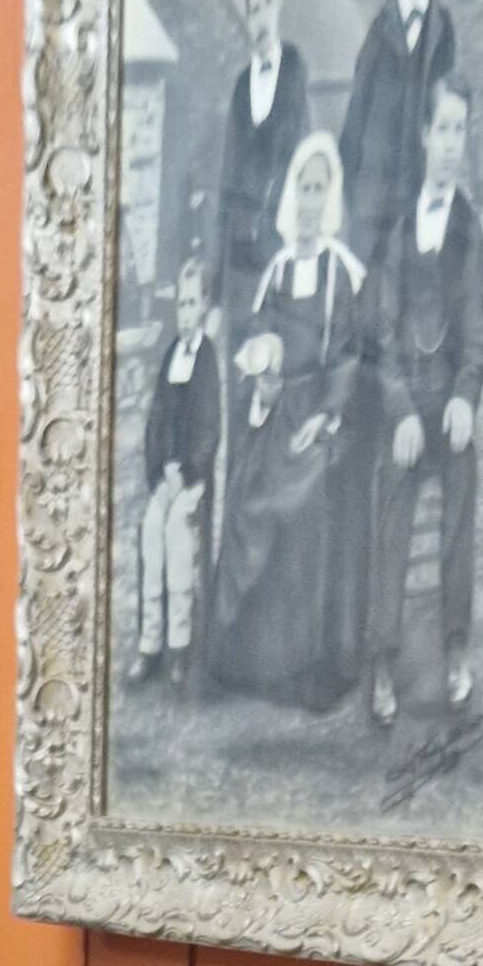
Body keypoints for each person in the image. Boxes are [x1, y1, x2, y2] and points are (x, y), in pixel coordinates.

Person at [206, 132, 371, 715]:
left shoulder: (340, 274)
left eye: (318, 189)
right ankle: (248, 662)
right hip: (276, 412)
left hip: (319, 419)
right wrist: (263, 375)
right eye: (301, 187)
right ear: (290, 195)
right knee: (248, 496)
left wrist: (325, 418)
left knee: (307, 504)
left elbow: (349, 357)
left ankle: (305, 667)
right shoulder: (276, 271)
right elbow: (256, 342)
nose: (307, 200)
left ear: (330, 199)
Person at [366, 73, 483, 724]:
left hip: (449, 407)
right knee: (390, 498)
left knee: (462, 488)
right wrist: (401, 411)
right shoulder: (396, 229)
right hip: (409, 407)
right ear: (423, 137)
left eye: (460, 131)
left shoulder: (468, 230)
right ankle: (382, 659)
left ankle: (455, 645)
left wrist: (465, 397)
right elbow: (382, 333)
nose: (450, 144)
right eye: (442, 129)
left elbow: (478, 327)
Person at [336, 0, 456, 275]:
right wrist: (348, 203)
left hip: (418, 200)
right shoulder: (377, 32)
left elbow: (445, 118)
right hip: (373, 210)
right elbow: (354, 127)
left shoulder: (443, 30)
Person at [131, 254, 221, 688]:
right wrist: (158, 471)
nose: (185, 313)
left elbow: (208, 427)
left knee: (178, 539)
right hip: (166, 475)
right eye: (180, 305)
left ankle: (179, 647)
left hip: (193, 479)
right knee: (152, 530)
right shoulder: (171, 355)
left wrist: (187, 474)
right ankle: (150, 644)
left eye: (192, 304)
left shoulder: (207, 359)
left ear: (205, 306)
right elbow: (157, 419)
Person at [212, 0, 310, 325]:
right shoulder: (240, 88)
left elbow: (299, 161)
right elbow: (228, 178)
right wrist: (217, 292)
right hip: (240, 259)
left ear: (280, 3)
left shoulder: (295, 69)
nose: (261, 17)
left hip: (280, 246)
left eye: (268, 3)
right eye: (254, 9)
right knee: (240, 365)